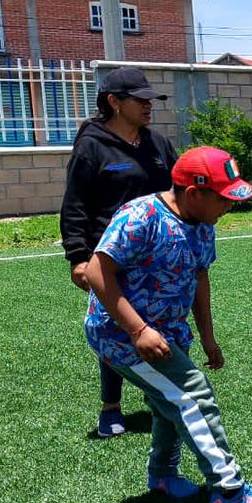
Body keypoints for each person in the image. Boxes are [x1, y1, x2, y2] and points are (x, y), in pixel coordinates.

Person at [83, 146, 252, 503]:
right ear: (194, 193)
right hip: (120, 334)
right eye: (225, 198)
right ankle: (229, 490)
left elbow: (199, 276)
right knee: (193, 395)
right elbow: (96, 272)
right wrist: (138, 330)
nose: (230, 206)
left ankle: (162, 475)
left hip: (168, 332)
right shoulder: (141, 216)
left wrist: (208, 337)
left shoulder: (203, 224)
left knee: (169, 402)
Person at [61, 66, 178, 438]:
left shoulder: (158, 144)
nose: (148, 106)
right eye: (139, 100)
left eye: (150, 99)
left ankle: (160, 393)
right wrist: (78, 257)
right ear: (113, 102)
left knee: (162, 322)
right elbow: (75, 204)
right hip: (111, 258)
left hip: (159, 257)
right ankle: (110, 407)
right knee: (116, 327)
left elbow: (178, 193)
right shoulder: (91, 145)